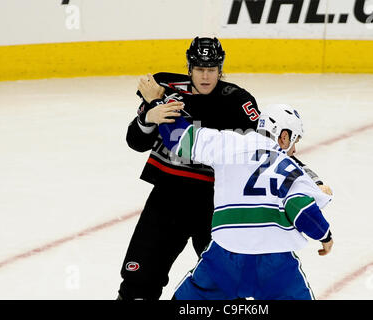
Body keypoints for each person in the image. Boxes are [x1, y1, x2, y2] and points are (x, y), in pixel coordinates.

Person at [119, 36, 331, 300]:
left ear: (220, 69)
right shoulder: (166, 87)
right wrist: (148, 115)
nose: (206, 76)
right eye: (199, 69)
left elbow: (268, 149)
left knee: (227, 289)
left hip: (215, 204)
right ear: (189, 68)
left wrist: (312, 179)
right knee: (138, 280)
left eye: (212, 70)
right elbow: (135, 141)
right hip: (166, 199)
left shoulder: (238, 102)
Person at [158, 103, 333, 300]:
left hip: (226, 256)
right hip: (275, 263)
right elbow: (302, 210)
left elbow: (180, 139)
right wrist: (325, 237)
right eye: (294, 141)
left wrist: (158, 105)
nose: (294, 149)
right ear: (284, 136)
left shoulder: (228, 144)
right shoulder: (289, 167)